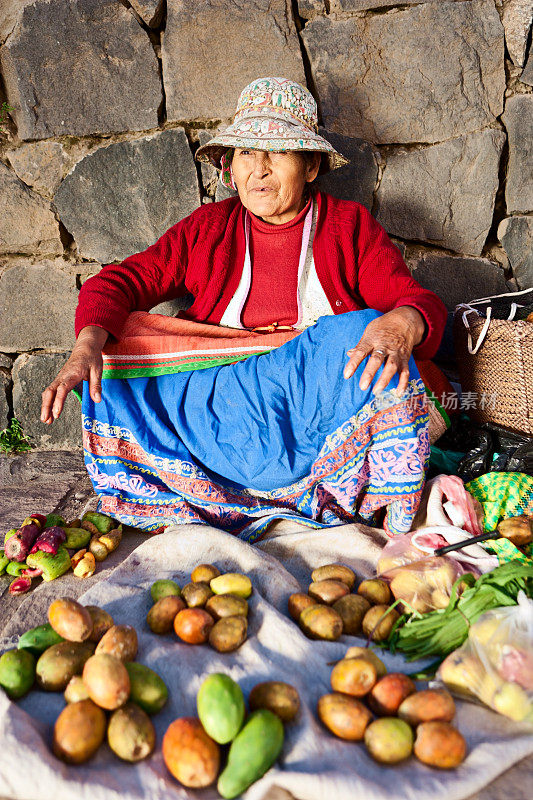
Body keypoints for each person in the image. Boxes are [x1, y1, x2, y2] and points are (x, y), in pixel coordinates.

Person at [40, 77, 447, 540]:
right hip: (220, 402)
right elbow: (121, 281)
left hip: (306, 392)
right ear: (230, 168)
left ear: (311, 167)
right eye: (247, 154)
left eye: (279, 152)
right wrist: (87, 345)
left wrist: (401, 321)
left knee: (364, 332)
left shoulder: (348, 225)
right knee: (113, 354)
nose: (260, 170)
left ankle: (316, 489)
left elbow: (415, 301)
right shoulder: (208, 228)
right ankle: (199, 490)